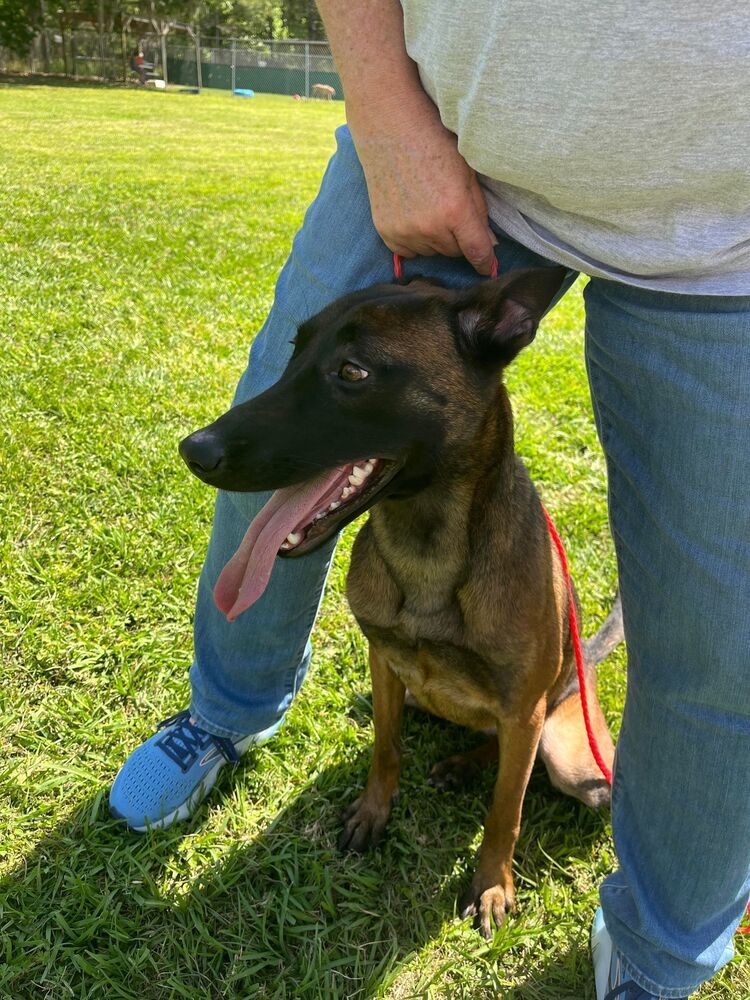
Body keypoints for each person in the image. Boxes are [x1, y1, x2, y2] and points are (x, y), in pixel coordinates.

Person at [110, 3, 750, 997]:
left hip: (724, 239)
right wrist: (382, 110)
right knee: (267, 453)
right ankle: (228, 710)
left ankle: (663, 950)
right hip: (441, 146)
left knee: (726, 635)